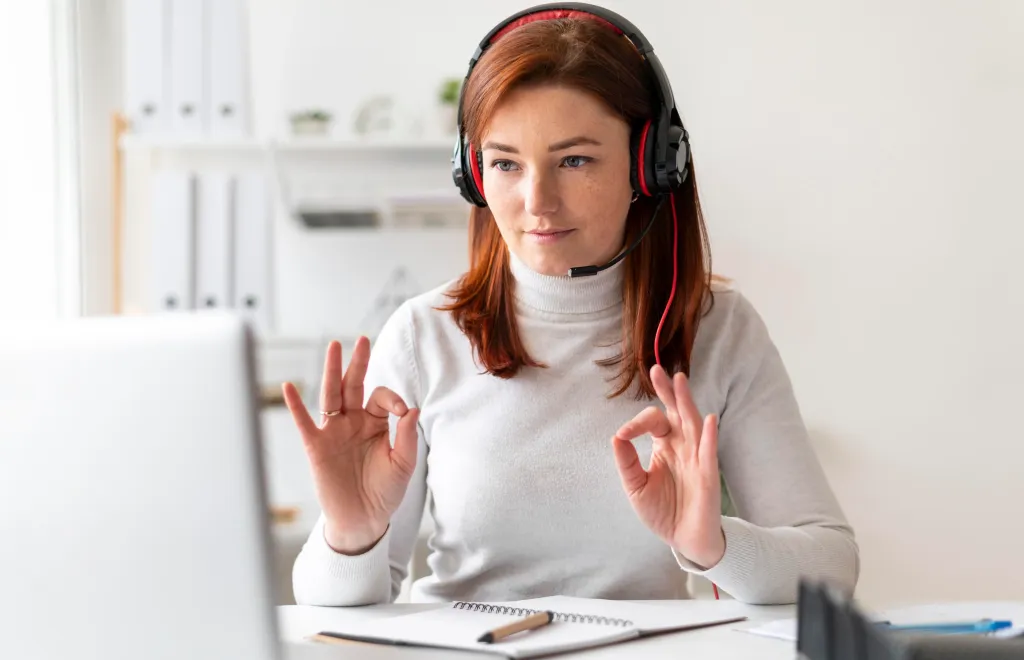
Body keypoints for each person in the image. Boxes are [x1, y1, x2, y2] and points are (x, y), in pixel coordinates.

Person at [284, 3, 859, 607]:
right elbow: (340, 612)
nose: (537, 201)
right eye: (505, 164)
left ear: (650, 166)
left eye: (574, 160)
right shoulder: (421, 336)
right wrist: (350, 534)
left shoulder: (717, 328)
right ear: (473, 174)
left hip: (648, 657)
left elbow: (832, 563)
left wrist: (713, 546)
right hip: (468, 655)